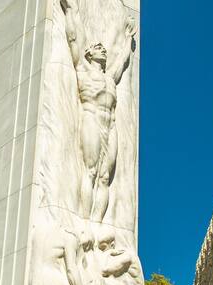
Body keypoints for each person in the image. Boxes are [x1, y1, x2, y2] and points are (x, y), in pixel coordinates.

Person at [57, 0, 137, 224]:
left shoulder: (110, 78)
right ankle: (82, 222)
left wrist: (129, 37)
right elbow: (74, 35)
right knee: (90, 171)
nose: (101, 47)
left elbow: (122, 60)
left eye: (103, 47)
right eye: (97, 47)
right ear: (89, 54)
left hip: (110, 126)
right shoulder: (82, 69)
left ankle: (97, 225)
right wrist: (71, 7)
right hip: (91, 121)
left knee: (104, 178)